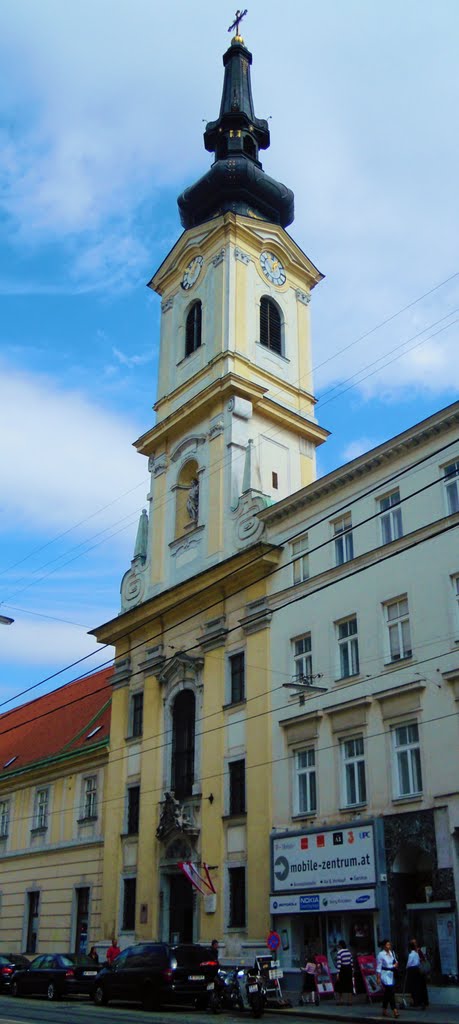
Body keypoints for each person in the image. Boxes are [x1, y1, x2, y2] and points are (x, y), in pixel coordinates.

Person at [376, 939, 399, 1019]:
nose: (389, 946)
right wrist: (378, 978)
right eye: (387, 945)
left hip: (391, 974)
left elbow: (395, 961)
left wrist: (396, 964)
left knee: (387, 993)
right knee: (391, 991)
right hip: (384, 974)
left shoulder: (392, 953)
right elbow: (378, 967)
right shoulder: (381, 954)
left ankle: (384, 1009)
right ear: (384, 946)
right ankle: (395, 1010)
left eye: (389, 944)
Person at [407, 938, 429, 1008]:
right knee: (419, 986)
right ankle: (422, 1001)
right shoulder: (418, 952)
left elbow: (409, 964)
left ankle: (418, 1001)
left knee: (415, 987)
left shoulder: (415, 952)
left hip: (415, 970)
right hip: (419, 970)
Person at [335, 939, 353, 1005]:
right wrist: (352, 970)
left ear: (340, 945)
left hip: (342, 969)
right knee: (349, 984)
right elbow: (351, 962)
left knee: (340, 985)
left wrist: (337, 973)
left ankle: (340, 1000)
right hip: (349, 969)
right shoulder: (349, 952)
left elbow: (339, 963)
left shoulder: (339, 952)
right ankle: (350, 1001)